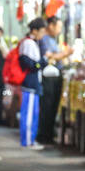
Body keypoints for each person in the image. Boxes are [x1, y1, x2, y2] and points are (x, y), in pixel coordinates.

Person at [15, 19, 46, 150]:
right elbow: (29, 63)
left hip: (33, 84)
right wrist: (43, 62)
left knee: (33, 113)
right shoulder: (28, 43)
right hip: (29, 84)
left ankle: (30, 140)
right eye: (42, 31)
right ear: (34, 30)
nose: (43, 34)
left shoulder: (33, 42)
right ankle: (27, 140)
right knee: (28, 114)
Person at [36, 16, 66, 148]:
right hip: (48, 77)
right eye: (58, 27)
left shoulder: (52, 40)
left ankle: (48, 134)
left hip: (55, 77)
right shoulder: (44, 39)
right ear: (51, 25)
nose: (59, 30)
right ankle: (44, 135)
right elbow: (49, 57)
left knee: (53, 106)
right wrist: (66, 54)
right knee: (47, 106)